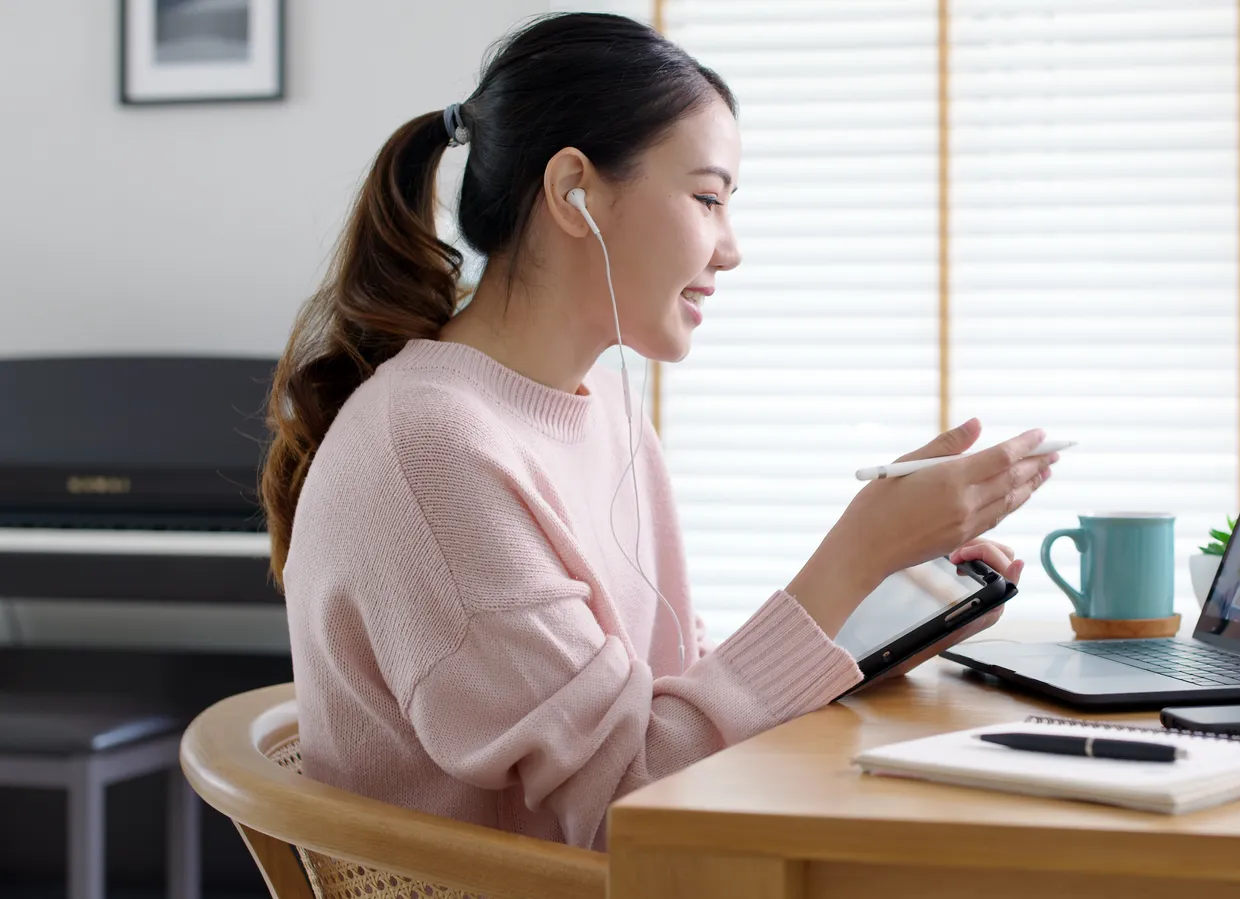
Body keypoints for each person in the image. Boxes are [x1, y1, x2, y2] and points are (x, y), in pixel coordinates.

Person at [259, 14, 1057, 851]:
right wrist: (851, 554)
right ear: (574, 192)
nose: (731, 249)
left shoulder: (601, 405)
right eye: (706, 199)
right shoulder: (430, 446)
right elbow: (627, 805)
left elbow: (667, 694)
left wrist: (871, 613)